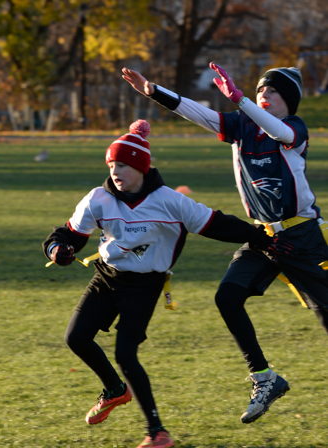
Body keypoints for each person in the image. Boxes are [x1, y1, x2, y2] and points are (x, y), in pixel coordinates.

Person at [43, 119, 289, 448]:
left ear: (141, 167)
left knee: (126, 353)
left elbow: (216, 223)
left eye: (123, 165)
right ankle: (115, 390)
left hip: (145, 285)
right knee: (76, 338)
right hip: (107, 276)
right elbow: (69, 234)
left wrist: (260, 237)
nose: (116, 172)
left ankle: (157, 431)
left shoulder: (169, 200)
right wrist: (58, 249)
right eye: (112, 165)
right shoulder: (98, 198)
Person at [122, 63, 328, 424]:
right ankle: (264, 378)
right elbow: (197, 112)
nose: (265, 95)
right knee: (227, 297)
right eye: (261, 90)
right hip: (263, 236)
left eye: (273, 90)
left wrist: (242, 99)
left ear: (289, 100)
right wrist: (152, 91)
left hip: (302, 236)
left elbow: (278, 131)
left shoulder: (295, 128)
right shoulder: (241, 126)